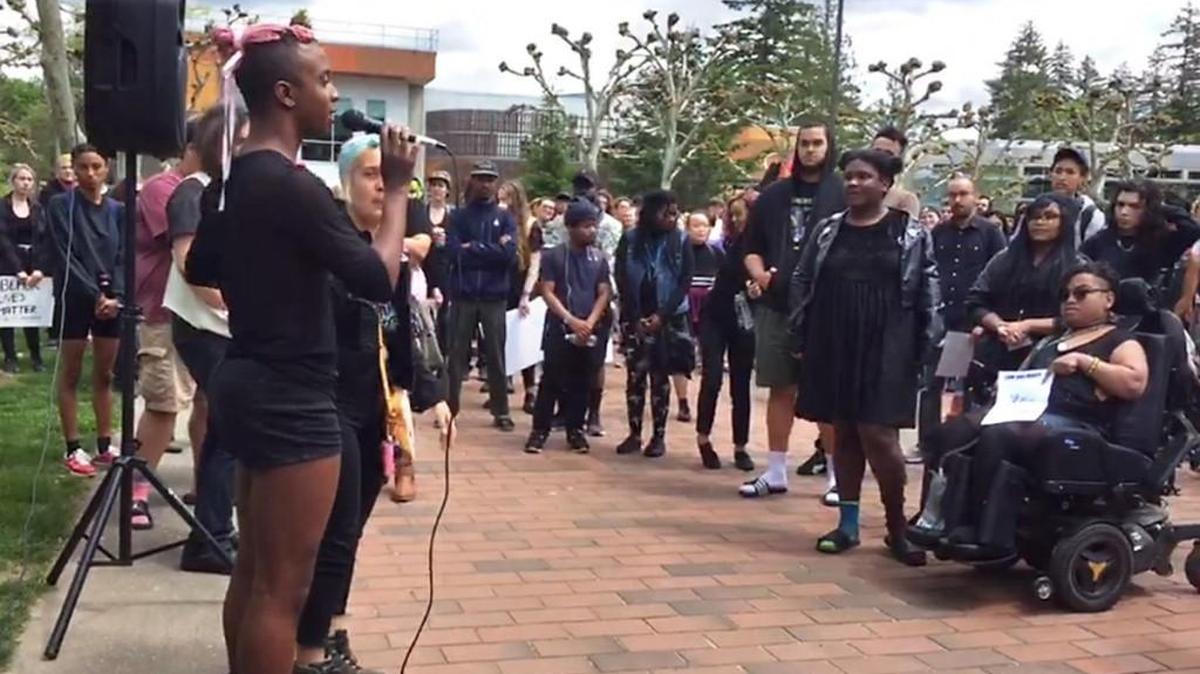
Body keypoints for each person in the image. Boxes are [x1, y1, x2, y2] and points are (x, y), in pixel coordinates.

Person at [184, 24, 418, 674]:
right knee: (283, 589)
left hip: (246, 380)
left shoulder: (235, 178)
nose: (334, 91)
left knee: (256, 571)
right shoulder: (292, 186)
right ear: (285, 94)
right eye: (323, 79)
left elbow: (202, 263)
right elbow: (376, 279)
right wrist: (398, 189)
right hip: (294, 398)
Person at [293, 132, 428, 674]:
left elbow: (400, 334)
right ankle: (308, 653)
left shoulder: (392, 249)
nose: (382, 184)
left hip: (375, 407)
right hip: (331, 403)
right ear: (345, 181)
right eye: (370, 174)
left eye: (389, 175)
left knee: (350, 534)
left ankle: (334, 631)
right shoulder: (335, 246)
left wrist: (424, 399)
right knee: (334, 534)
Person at [788, 149, 940, 566]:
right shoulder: (827, 230)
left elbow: (928, 290)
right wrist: (800, 331)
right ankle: (848, 525)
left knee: (879, 435)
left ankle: (896, 528)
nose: (853, 183)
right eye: (849, 177)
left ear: (886, 185)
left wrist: (927, 343)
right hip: (834, 339)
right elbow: (803, 279)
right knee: (846, 432)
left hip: (890, 341)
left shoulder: (909, 233)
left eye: (864, 177)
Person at [935, 262, 1148, 558]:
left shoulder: (1119, 339)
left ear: (1108, 299)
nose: (1070, 300)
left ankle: (984, 529)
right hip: (1031, 412)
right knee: (958, 430)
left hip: (1078, 423)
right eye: (1065, 295)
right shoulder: (1055, 338)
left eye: (1082, 293)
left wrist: (1087, 363)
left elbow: (1135, 382)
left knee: (1000, 434)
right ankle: (939, 517)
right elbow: (1033, 346)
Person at [739, 119, 845, 499]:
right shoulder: (774, 195)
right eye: (804, 143)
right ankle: (776, 470)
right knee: (779, 388)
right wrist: (760, 276)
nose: (810, 149)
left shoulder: (844, 193)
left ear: (829, 146)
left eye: (817, 143)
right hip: (777, 304)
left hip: (827, 309)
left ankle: (837, 476)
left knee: (827, 393)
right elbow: (750, 246)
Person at [167, 104, 245, 575]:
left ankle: (213, 532)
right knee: (227, 434)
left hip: (217, 328)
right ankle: (210, 539)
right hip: (204, 329)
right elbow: (188, 265)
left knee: (223, 431)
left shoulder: (219, 194)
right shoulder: (191, 194)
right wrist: (240, 307)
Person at [129, 120, 205, 530]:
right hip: (163, 312)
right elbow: (193, 236)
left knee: (208, 403)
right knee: (163, 404)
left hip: (202, 315)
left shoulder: (209, 188)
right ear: (192, 146)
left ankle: (206, 485)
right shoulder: (165, 188)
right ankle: (135, 492)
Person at [44, 143, 124, 478]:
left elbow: (124, 254)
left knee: (105, 373)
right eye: (82, 168)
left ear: (106, 168)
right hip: (75, 297)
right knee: (71, 372)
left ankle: (105, 444)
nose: (89, 174)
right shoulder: (61, 206)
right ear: (72, 171)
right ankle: (73, 445)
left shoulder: (118, 209)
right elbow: (64, 256)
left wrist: (116, 295)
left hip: (111, 300)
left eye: (95, 166)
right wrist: (93, 294)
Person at [525, 199, 612, 454]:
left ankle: (576, 429)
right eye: (586, 226)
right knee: (551, 380)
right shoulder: (555, 256)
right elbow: (547, 291)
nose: (591, 231)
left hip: (588, 327)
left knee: (583, 382)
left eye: (594, 226)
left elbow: (604, 292)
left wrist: (590, 322)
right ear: (571, 228)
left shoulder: (599, 258)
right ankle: (539, 430)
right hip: (561, 327)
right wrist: (570, 320)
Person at [966, 194, 1085, 375]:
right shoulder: (1004, 259)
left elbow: (1082, 316)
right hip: (998, 352)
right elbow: (976, 301)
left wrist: (1028, 325)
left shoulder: (1077, 265)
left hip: (1054, 355)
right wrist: (1000, 326)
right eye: (1035, 217)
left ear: (1064, 222)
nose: (1040, 222)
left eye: (1049, 217)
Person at [614, 190, 693, 458]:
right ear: (650, 213)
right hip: (636, 316)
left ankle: (658, 437)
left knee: (661, 377)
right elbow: (621, 276)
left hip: (668, 318)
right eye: (666, 213)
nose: (673, 218)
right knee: (635, 376)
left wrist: (662, 315)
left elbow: (685, 281)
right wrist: (635, 316)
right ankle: (634, 434)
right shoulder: (631, 239)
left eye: (675, 213)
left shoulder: (680, 240)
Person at [445, 160, 517, 430]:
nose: (485, 183)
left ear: (496, 182)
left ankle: (501, 411)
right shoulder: (459, 217)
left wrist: (472, 247)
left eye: (490, 178)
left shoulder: (505, 217)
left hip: (494, 295)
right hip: (463, 293)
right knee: (455, 354)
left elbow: (508, 255)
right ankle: (450, 408)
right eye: (480, 178)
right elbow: (453, 252)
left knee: (496, 355)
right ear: (471, 181)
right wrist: (489, 249)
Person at [695, 196, 756, 471]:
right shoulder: (720, 246)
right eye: (732, 214)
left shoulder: (760, 246)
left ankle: (740, 446)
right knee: (712, 379)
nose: (735, 219)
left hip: (743, 320)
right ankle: (703, 439)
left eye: (741, 214)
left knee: (741, 385)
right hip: (715, 316)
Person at [1082, 180, 1200, 289]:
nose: (1124, 212)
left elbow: (1192, 230)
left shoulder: (1160, 240)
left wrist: (1159, 207)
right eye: (1120, 205)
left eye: (1135, 207)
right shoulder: (1098, 241)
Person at [933, 177, 1009, 333]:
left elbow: (1002, 277)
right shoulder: (938, 232)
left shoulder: (991, 232)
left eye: (963, 194)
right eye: (952, 195)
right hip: (940, 317)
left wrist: (988, 320)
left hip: (973, 319)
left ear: (975, 197)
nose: (957, 200)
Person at [671, 211, 721, 424]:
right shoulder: (679, 253)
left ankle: (704, 402)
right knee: (681, 355)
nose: (701, 230)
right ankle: (683, 401)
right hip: (684, 306)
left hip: (709, 309)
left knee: (709, 357)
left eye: (705, 226)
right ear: (687, 228)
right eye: (696, 226)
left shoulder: (716, 253)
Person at [500, 180, 543, 415]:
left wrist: (527, 293)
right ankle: (502, 385)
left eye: (505, 198)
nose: (501, 203)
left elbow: (535, 261)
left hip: (522, 283)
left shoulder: (529, 225)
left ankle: (530, 390)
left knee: (524, 339)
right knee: (501, 337)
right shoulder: (500, 223)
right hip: (501, 284)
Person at [0, 163, 46, 373]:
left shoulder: (37, 208)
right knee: (7, 314)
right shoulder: (2, 206)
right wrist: (17, 269)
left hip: (32, 262)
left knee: (32, 312)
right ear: (13, 181)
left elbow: (42, 238)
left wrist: (38, 268)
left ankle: (36, 357)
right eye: (22, 178)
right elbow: (3, 240)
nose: (26, 183)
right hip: (7, 264)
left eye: (29, 179)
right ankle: (10, 357)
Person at [1049, 146, 1105, 245]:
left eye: (1070, 172)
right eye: (1058, 171)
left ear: (1082, 178)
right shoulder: (1036, 211)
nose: (1062, 177)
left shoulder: (1091, 217)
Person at [871, 126, 921, 219]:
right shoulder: (853, 190)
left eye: (888, 154)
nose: (880, 157)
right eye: (876, 151)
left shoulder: (905, 199)